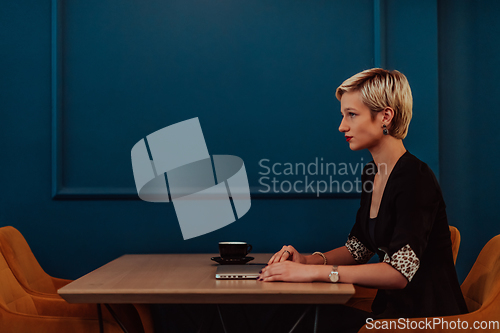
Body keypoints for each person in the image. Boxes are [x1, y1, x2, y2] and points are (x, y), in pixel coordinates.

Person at [256, 68, 468, 332]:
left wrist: (316, 273)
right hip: (387, 313)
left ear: (385, 117)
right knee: (289, 313)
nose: (342, 126)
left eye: (352, 115)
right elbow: (359, 248)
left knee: (301, 321)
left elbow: (398, 273)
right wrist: (307, 261)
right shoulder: (372, 172)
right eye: (343, 115)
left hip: (422, 320)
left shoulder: (415, 177)